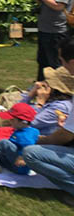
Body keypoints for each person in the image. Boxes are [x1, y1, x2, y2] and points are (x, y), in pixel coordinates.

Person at [23, 38, 74, 201]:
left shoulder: (59, 105)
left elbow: (63, 136)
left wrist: (37, 140)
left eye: (62, 61)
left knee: (30, 153)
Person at [26, 0, 74, 80]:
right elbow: (48, 3)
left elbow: (59, 5)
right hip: (46, 29)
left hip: (56, 31)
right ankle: (42, 86)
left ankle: (58, 90)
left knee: (55, 64)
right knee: (43, 62)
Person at [19, 66, 74, 136]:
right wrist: (30, 95)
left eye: (47, 81)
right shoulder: (51, 99)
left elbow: (28, 123)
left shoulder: (61, 106)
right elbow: (15, 111)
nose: (41, 83)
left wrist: (40, 103)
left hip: (40, 139)